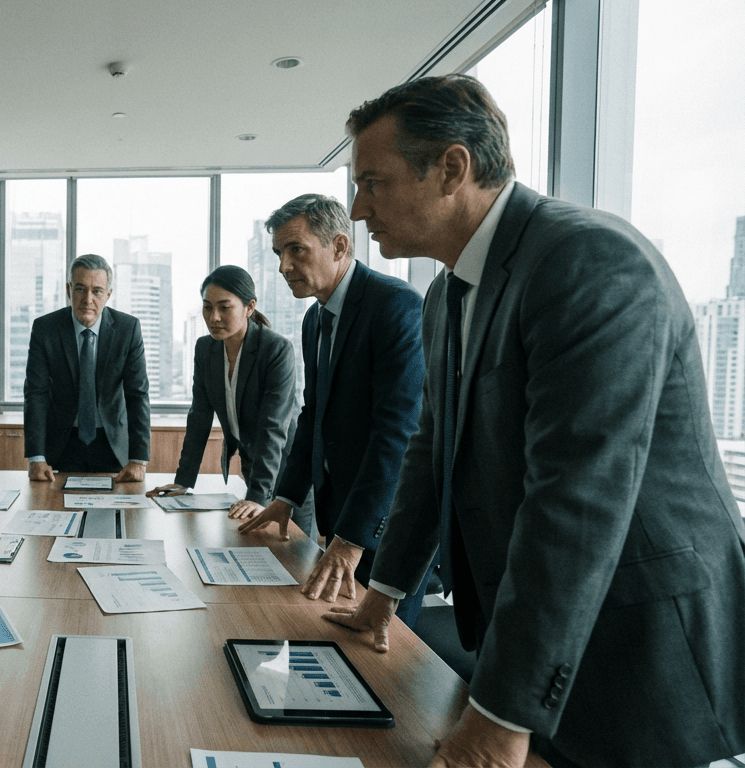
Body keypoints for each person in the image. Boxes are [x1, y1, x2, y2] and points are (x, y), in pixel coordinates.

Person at [328, 74, 745, 768]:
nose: (357, 207)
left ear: (452, 169)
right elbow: (432, 454)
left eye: (372, 182)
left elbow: (576, 498)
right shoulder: (443, 295)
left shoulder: (587, 259)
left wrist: (501, 713)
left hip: (637, 645)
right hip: (532, 637)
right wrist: (384, 594)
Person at [236, 194, 430, 627]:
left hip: (387, 521)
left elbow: (397, 432)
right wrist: (285, 497)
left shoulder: (395, 305)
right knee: (333, 634)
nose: (283, 266)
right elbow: (314, 416)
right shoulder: (315, 318)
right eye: (278, 253)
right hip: (340, 511)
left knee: (383, 646)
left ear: (339, 246)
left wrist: (353, 539)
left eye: (296, 250)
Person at [147, 266, 298, 517]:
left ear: (249, 307)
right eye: (207, 307)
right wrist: (183, 481)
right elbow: (199, 417)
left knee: (293, 541)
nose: (214, 317)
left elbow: (272, 429)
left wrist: (257, 496)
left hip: (290, 470)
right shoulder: (205, 348)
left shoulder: (276, 349)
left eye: (224, 307)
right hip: (253, 467)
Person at [24, 253, 150, 481]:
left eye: (97, 291)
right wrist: (36, 457)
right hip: (61, 444)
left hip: (113, 445)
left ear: (108, 295)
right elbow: (36, 394)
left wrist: (138, 460)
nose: (88, 299)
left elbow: (137, 395)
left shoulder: (128, 329)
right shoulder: (45, 329)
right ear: (68, 290)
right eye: (80, 289)